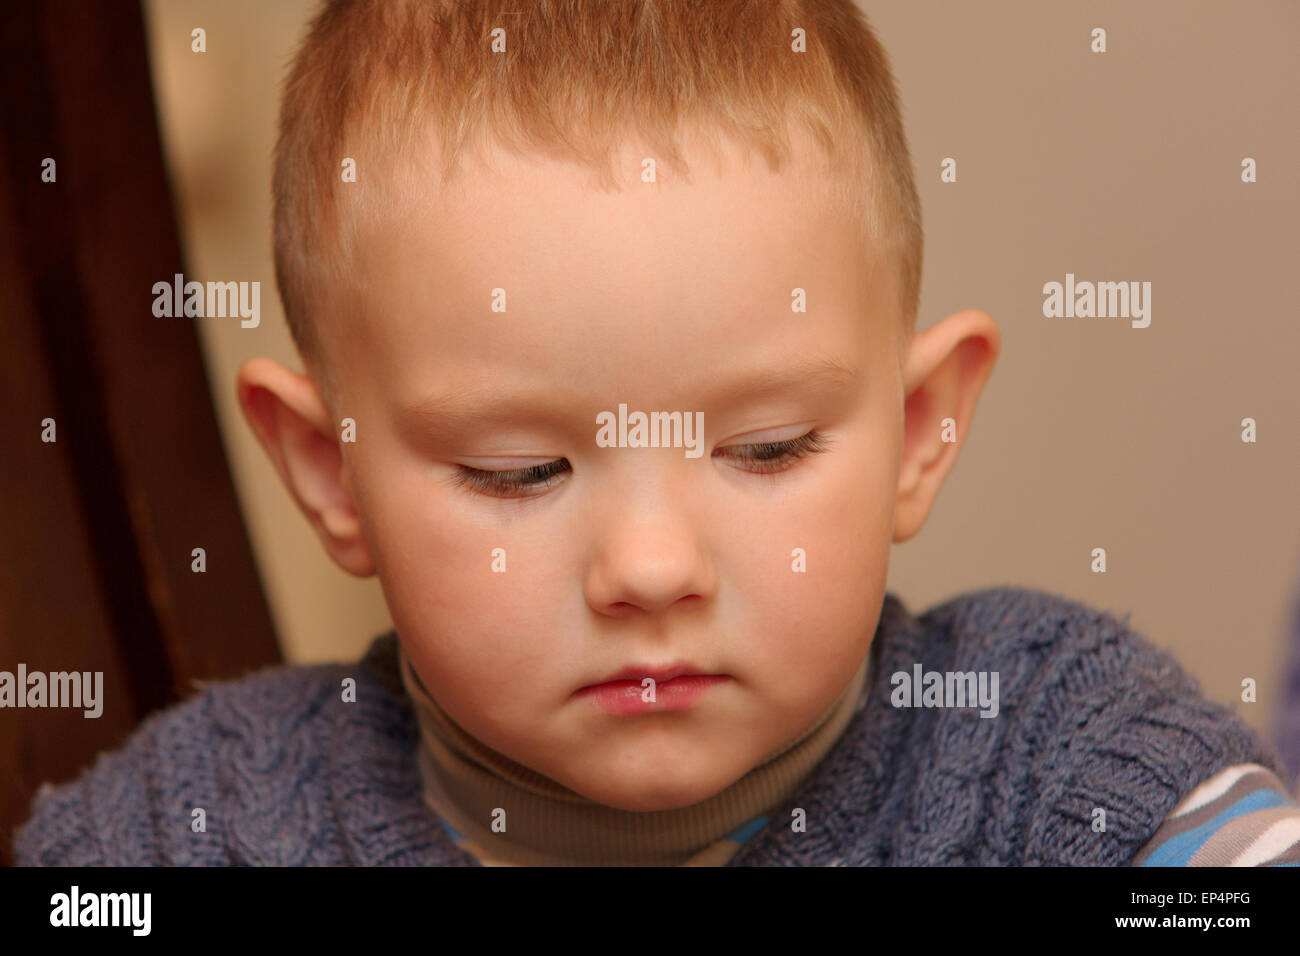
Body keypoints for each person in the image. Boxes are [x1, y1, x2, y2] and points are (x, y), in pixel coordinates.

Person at [15, 0, 1299, 866]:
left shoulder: (1052, 757)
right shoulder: (205, 824)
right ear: (327, 469)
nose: (646, 568)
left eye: (767, 447)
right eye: (517, 470)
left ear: (917, 430)